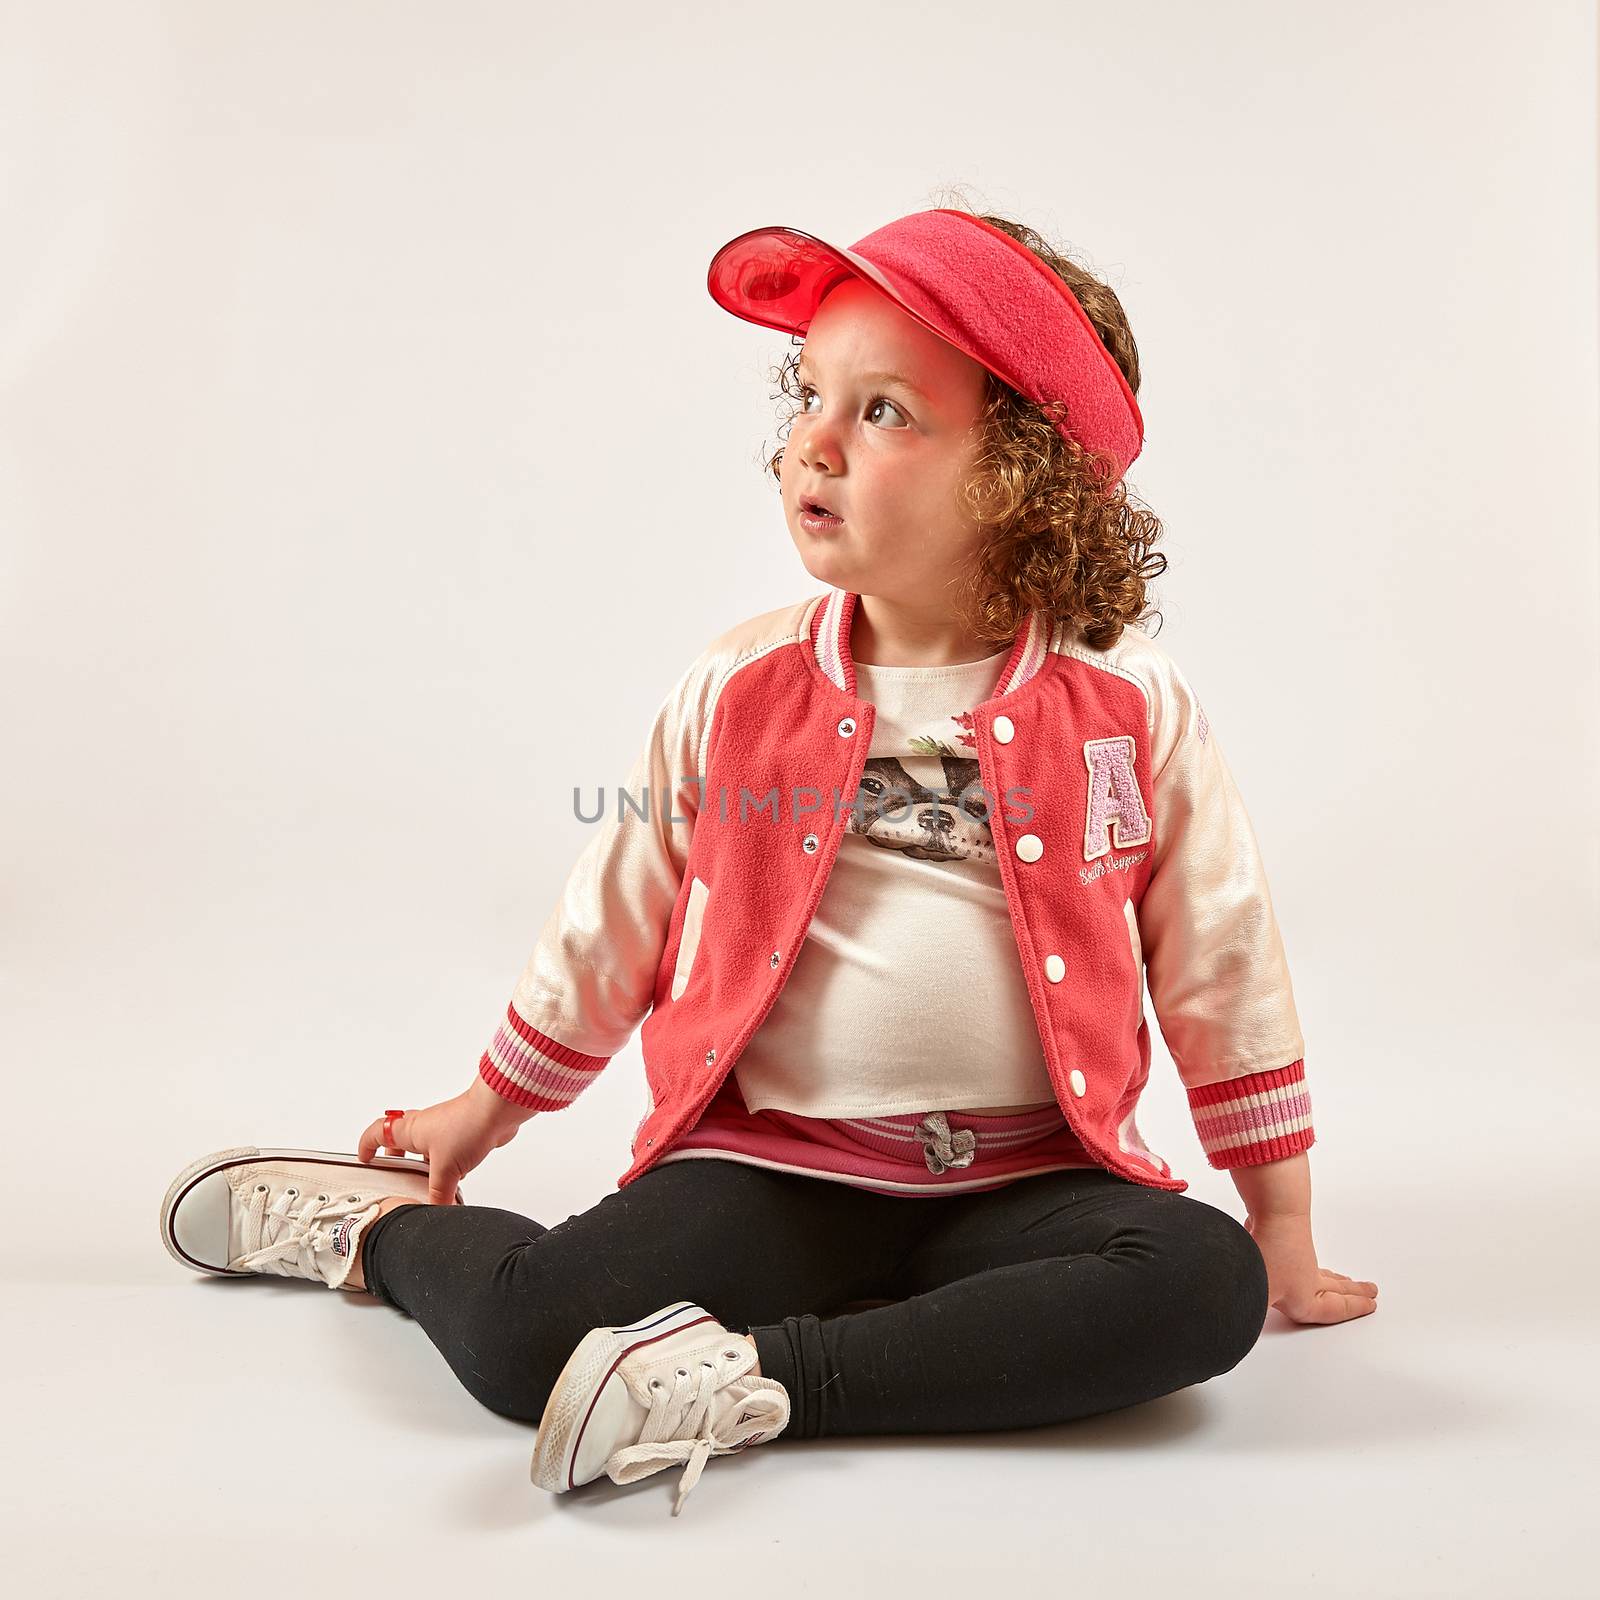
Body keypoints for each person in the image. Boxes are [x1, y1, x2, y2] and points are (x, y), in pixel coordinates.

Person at [159, 204, 1379, 1519]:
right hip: (778, 1171)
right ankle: (378, 1236)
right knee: (527, 1341)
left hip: (1033, 1180)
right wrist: (482, 1112)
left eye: (884, 413)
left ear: (1019, 475)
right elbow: (614, 925)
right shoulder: (743, 688)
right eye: (810, 395)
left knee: (1204, 1290)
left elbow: (1221, 961)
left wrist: (1286, 1233)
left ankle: (757, 1383)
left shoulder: (1130, 705)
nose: (811, 439)